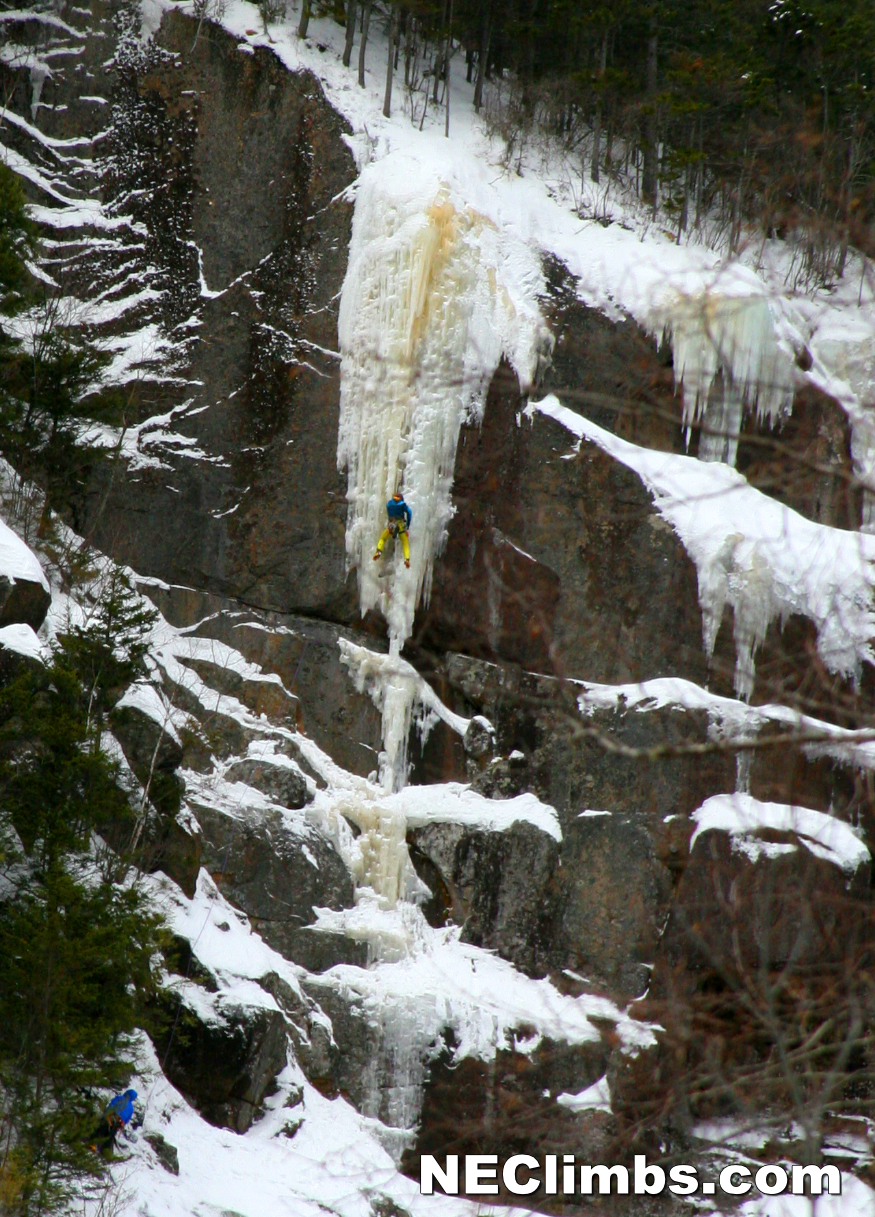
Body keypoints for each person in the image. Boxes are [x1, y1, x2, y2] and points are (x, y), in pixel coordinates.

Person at [89, 1089, 137, 1155]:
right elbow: (127, 1119)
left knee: (100, 1130)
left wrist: (106, 1113)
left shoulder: (120, 1098)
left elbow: (111, 1105)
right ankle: (107, 1153)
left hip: (111, 1116)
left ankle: (92, 1144)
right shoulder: (131, 1108)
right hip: (119, 1123)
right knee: (110, 1136)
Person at [373, 492, 412, 568]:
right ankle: (406, 559)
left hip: (392, 525)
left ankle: (378, 551)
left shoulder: (389, 504)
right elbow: (409, 512)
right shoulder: (402, 504)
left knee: (383, 539)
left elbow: (389, 515)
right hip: (401, 525)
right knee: (405, 543)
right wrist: (407, 524)